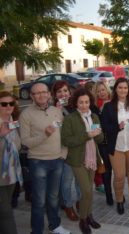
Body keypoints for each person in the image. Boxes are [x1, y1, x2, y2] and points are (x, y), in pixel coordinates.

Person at [20, 82, 71, 234]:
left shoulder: (57, 111)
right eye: (36, 93)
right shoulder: (26, 114)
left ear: (49, 94)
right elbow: (25, 141)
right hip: (38, 162)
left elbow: (64, 136)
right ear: (31, 96)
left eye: (44, 92)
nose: (41, 95)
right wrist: (45, 135)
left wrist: (63, 155)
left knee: (54, 197)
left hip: (57, 160)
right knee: (39, 200)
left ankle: (55, 225)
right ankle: (37, 230)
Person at [61, 88, 104, 234]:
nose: (84, 105)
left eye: (86, 102)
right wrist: (88, 135)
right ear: (76, 103)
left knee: (89, 191)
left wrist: (97, 134)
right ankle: (83, 220)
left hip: (92, 158)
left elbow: (100, 139)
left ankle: (89, 215)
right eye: (81, 102)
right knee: (85, 190)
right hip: (77, 160)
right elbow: (66, 140)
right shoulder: (70, 119)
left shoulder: (94, 117)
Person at [101, 78, 129, 215]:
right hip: (116, 147)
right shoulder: (108, 106)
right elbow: (105, 126)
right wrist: (117, 127)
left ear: (128, 90)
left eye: (125, 88)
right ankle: (119, 200)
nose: (123, 90)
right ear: (115, 89)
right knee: (119, 176)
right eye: (120, 88)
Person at [51, 80, 81, 221]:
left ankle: (80, 202)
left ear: (70, 92)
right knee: (67, 181)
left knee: (80, 180)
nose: (63, 93)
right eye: (59, 91)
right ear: (55, 95)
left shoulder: (76, 106)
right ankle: (68, 206)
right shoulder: (52, 110)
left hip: (79, 149)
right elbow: (53, 130)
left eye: (65, 90)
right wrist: (57, 110)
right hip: (64, 150)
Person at [0, 91, 23, 234]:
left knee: (5, 208)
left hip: (12, 174)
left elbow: (18, 145)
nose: (8, 106)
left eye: (11, 103)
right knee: (6, 212)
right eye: (4, 104)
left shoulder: (14, 123)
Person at [93, 81, 113, 205]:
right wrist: (101, 110)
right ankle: (109, 195)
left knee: (117, 169)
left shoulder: (114, 103)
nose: (101, 93)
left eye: (103, 90)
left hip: (115, 141)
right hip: (102, 142)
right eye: (98, 91)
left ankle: (118, 193)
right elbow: (94, 126)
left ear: (107, 90)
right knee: (106, 170)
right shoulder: (94, 107)